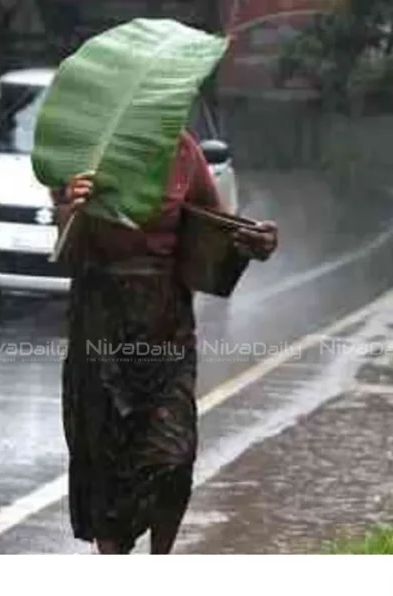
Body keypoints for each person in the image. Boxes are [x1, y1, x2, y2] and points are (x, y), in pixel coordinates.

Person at [51, 129, 278, 554]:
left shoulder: (183, 151)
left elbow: (217, 228)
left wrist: (254, 241)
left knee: (174, 457)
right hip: (101, 326)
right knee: (107, 468)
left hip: (166, 326)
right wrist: (71, 208)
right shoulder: (84, 151)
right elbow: (64, 252)